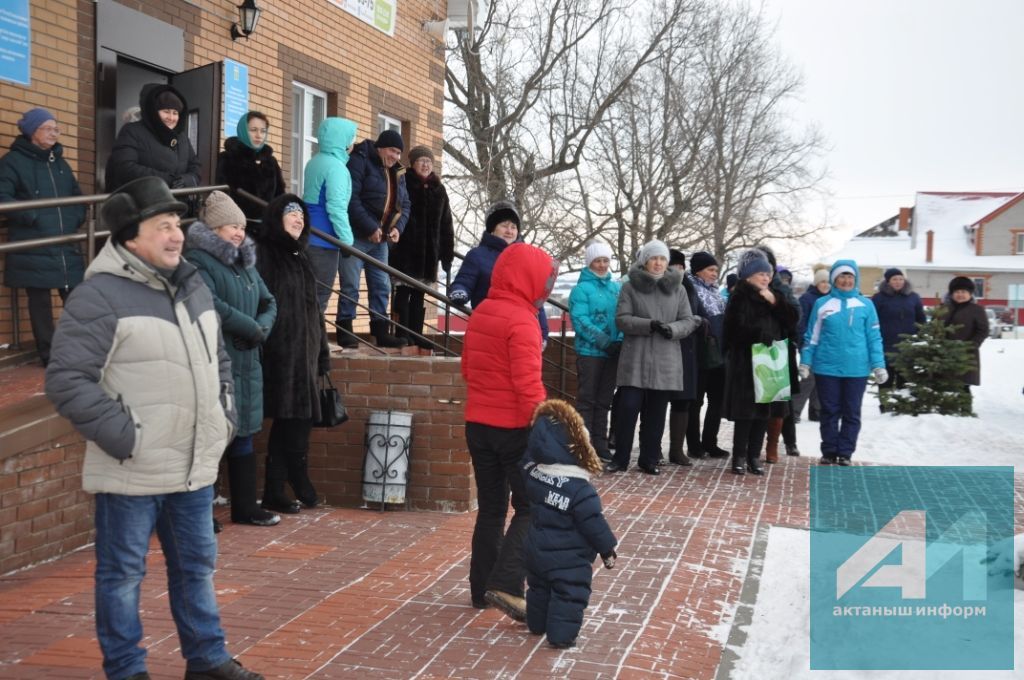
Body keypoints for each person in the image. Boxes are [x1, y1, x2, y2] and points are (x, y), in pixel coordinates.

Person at [44, 176, 263, 680]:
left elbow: (219, 359)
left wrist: (223, 415)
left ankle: (206, 660)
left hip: (193, 466)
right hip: (132, 470)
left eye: (176, 225)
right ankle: (126, 669)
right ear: (128, 238)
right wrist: (128, 437)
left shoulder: (192, 284)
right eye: (161, 226)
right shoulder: (99, 295)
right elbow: (67, 379)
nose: (175, 235)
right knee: (122, 576)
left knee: (196, 570)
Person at [461, 242, 557, 622]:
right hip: (514, 428)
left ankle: (480, 589)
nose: (545, 288)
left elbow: (467, 369)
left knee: (492, 508)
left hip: (478, 425)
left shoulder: (482, 310)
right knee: (533, 507)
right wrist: (545, 423)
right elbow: (527, 383)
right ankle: (504, 583)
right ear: (529, 278)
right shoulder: (523, 321)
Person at [185, 191, 279, 527]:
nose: (239, 232)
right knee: (212, 437)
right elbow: (209, 303)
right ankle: (198, 514)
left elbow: (270, 301)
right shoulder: (197, 261)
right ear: (213, 229)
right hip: (218, 357)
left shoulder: (245, 263)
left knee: (244, 434)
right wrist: (252, 327)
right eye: (230, 226)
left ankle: (245, 507)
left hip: (247, 360)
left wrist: (261, 328)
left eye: (241, 226)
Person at [255, 195, 332, 514]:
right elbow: (260, 302)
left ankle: (280, 487)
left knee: (295, 420)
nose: (299, 219)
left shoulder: (301, 256)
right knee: (291, 419)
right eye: (291, 213)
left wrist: (322, 353)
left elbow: (315, 311)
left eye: (302, 214)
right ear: (277, 216)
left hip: (305, 353)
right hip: (279, 352)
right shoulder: (264, 253)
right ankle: (293, 482)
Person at [522, 399, 618, 649]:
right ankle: (561, 636)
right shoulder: (581, 491)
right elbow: (594, 524)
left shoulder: (534, 474)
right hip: (569, 558)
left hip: (536, 548)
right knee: (569, 593)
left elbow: (526, 461)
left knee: (538, 588)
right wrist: (607, 549)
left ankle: (537, 624)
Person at [0, 107, 86, 367]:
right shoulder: (12, 162)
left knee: (77, 299)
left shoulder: (59, 162)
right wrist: (33, 217)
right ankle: (50, 356)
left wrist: (74, 218)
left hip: (64, 241)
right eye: (48, 128)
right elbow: (3, 197)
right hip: (34, 243)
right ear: (31, 132)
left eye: (56, 128)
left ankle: (81, 351)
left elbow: (77, 196)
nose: (54, 133)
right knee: (40, 303)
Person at [609, 240, 700, 475]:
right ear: (645, 261)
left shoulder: (678, 289)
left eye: (662, 259)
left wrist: (671, 329)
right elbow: (622, 319)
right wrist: (648, 324)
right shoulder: (630, 287)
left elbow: (688, 320)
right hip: (636, 358)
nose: (658, 263)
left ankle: (649, 458)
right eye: (654, 258)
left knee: (657, 413)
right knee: (628, 408)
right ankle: (620, 458)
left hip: (665, 358)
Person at [800, 260, 886, 466]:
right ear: (834, 280)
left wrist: (878, 364)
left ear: (855, 280)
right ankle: (829, 451)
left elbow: (874, 337)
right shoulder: (822, 304)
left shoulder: (866, 305)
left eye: (850, 277)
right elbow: (812, 336)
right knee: (829, 411)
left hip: (856, 368)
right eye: (842, 277)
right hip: (826, 367)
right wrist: (805, 362)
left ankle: (845, 452)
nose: (846, 281)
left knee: (852, 412)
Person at [722, 250, 799, 475]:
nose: (765, 277)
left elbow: (792, 321)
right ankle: (738, 456)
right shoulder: (739, 296)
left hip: (771, 361)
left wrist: (775, 302)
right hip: (746, 362)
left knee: (764, 412)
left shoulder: (775, 295)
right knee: (746, 413)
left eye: (768, 273)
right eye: (760, 273)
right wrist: (757, 335)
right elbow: (732, 330)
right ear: (747, 276)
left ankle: (753, 456)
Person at [340, 129, 411, 348]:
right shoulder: (359, 161)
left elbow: (405, 204)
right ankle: (344, 329)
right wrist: (370, 227)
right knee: (350, 284)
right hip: (356, 235)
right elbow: (351, 199)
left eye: (399, 153)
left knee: (381, 286)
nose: (396, 157)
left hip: (381, 242)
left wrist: (398, 227)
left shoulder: (398, 172)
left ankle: (381, 332)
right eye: (392, 151)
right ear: (380, 147)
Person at [449, 200, 550, 340]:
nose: (509, 231)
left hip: (519, 329)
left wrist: (543, 332)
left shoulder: (525, 259)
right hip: (488, 327)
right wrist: (459, 291)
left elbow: (534, 299)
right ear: (492, 228)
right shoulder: (477, 255)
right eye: (504, 226)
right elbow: (464, 281)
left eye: (513, 227)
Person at [389, 145, 455, 348]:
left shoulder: (439, 188)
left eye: (429, 161)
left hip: (428, 254)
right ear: (413, 163)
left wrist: (447, 254)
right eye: (421, 161)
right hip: (405, 250)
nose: (425, 165)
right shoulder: (404, 182)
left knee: (419, 294)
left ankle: (416, 334)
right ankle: (403, 333)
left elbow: (446, 223)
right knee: (403, 292)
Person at [568, 241, 622, 461]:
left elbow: (622, 316)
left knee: (604, 401)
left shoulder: (616, 288)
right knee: (587, 400)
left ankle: (600, 443)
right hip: (590, 352)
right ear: (589, 262)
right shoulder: (581, 289)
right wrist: (603, 340)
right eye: (597, 261)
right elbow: (580, 320)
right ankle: (583, 445)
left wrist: (619, 340)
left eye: (605, 261)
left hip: (612, 352)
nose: (601, 265)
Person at [302, 117, 358, 326]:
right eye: (351, 138)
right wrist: (346, 240)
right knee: (319, 297)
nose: (353, 144)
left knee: (305, 295)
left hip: (308, 235)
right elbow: (335, 207)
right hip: (325, 241)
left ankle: (305, 344)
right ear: (342, 141)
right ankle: (313, 348)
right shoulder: (337, 168)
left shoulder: (314, 161)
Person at [105, 84, 200, 195]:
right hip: (142, 205)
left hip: (177, 206)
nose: (171, 117)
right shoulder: (132, 131)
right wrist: (168, 180)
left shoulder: (182, 138)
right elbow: (125, 167)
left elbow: (195, 167)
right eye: (166, 111)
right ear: (154, 112)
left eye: (175, 113)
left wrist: (186, 180)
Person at [685, 251, 729, 459]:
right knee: (695, 402)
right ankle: (694, 445)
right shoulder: (690, 289)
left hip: (719, 353)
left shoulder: (716, 292)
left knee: (716, 401)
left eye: (716, 270)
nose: (714, 274)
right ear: (698, 270)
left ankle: (711, 442)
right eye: (711, 269)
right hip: (699, 352)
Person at [216, 111, 286, 231]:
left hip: (265, 229)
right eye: (253, 130)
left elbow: (280, 195)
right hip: (235, 228)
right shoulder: (227, 158)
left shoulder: (271, 162)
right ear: (243, 130)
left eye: (263, 131)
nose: (258, 135)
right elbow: (220, 195)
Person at [871, 267, 926, 409]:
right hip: (885, 346)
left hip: (907, 347)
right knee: (885, 379)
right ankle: (885, 406)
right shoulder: (878, 298)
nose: (898, 282)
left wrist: (920, 336)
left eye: (900, 279)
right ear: (888, 281)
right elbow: (871, 321)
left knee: (905, 379)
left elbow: (921, 319)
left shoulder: (913, 297)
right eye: (894, 279)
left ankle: (904, 407)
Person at [666, 249, 701, 466]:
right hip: (666, 345)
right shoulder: (663, 286)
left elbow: (694, 313)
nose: (678, 270)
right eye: (674, 266)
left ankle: (677, 449)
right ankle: (652, 448)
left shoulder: (688, 286)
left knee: (683, 401)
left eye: (681, 266)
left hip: (688, 349)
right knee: (657, 402)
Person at [942, 276, 989, 410]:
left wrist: (972, 345)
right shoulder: (944, 308)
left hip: (966, 354)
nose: (960, 295)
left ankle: (965, 411)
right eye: (957, 292)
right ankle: (947, 409)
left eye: (963, 292)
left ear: (970, 293)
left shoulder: (976, 310)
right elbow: (936, 328)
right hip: (945, 353)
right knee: (946, 383)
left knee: (963, 384)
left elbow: (983, 330)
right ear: (952, 294)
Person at [792, 265, 830, 423]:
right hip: (810, 345)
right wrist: (802, 343)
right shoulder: (807, 299)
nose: (825, 285)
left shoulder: (830, 299)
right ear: (816, 283)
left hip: (827, 346)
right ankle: (793, 410)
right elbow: (801, 323)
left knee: (821, 379)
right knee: (809, 379)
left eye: (828, 282)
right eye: (822, 282)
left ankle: (816, 410)